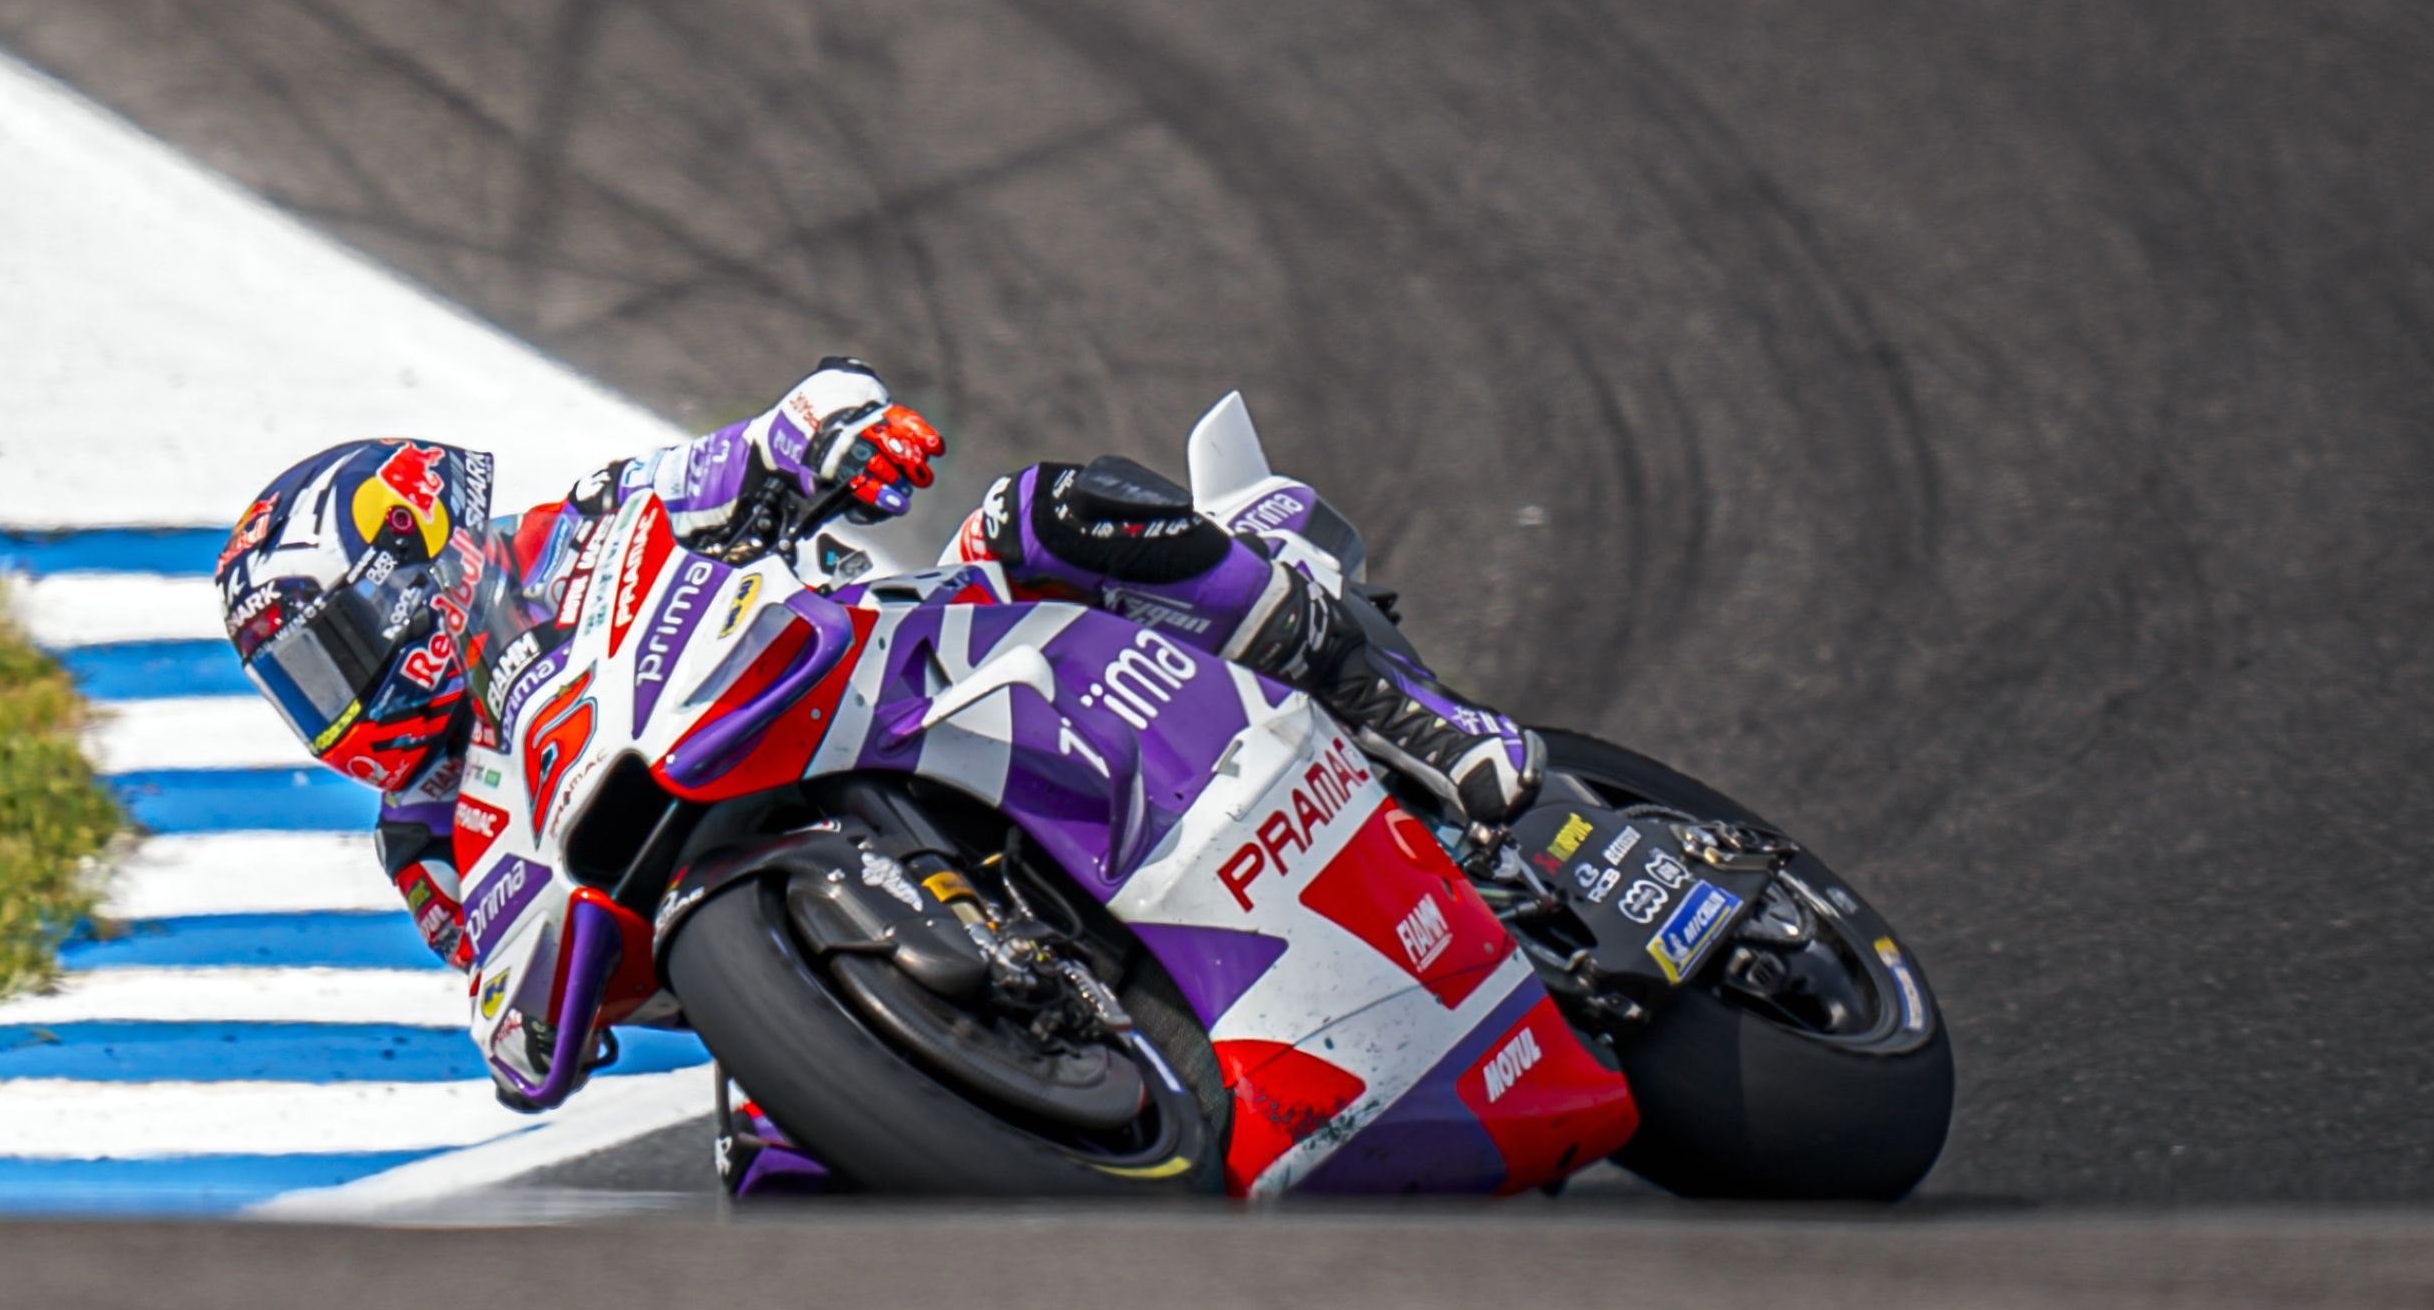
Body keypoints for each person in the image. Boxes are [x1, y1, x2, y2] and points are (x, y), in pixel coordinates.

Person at [214, 359, 1540, 982]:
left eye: (336, 651)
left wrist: (832, 432)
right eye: (304, 687)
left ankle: (1381, 696)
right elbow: (502, 979)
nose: (341, 701)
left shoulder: (571, 532)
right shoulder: (420, 833)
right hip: (755, 924)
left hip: (881, 674)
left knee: (1038, 514)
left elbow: (736, 458)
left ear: (414, 561)